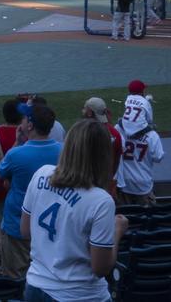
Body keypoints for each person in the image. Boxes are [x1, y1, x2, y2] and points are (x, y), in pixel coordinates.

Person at [23, 121, 127, 301]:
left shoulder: (42, 173)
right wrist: (117, 231)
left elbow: (25, 231)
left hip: (35, 287)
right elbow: (101, 268)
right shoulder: (101, 200)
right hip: (79, 295)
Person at [0, 105, 61, 279]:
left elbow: (1, 172)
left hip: (17, 227)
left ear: (30, 125)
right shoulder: (64, 151)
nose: (21, 120)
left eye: (24, 118)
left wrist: (17, 142)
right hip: (51, 228)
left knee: (15, 278)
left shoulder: (16, 154)